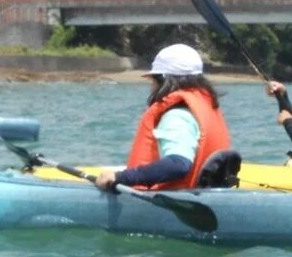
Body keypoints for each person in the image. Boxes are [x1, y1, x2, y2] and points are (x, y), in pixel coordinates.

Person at [94, 44, 231, 191]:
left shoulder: (177, 116)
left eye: (153, 80)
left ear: (163, 81)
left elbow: (178, 164)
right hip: (203, 195)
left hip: (178, 206)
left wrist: (121, 177)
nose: (151, 86)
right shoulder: (204, 106)